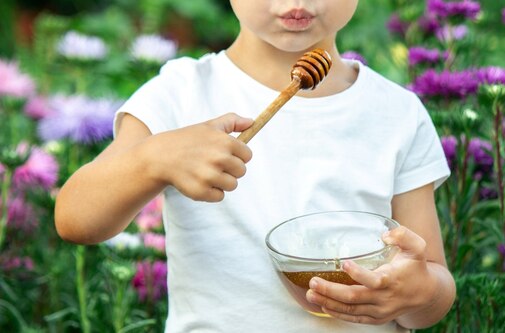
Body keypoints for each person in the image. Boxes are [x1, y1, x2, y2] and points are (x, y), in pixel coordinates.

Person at [55, 0, 456, 331]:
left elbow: (432, 285)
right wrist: (154, 158)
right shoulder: (180, 94)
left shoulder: (397, 113)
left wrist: (418, 292)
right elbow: (75, 218)